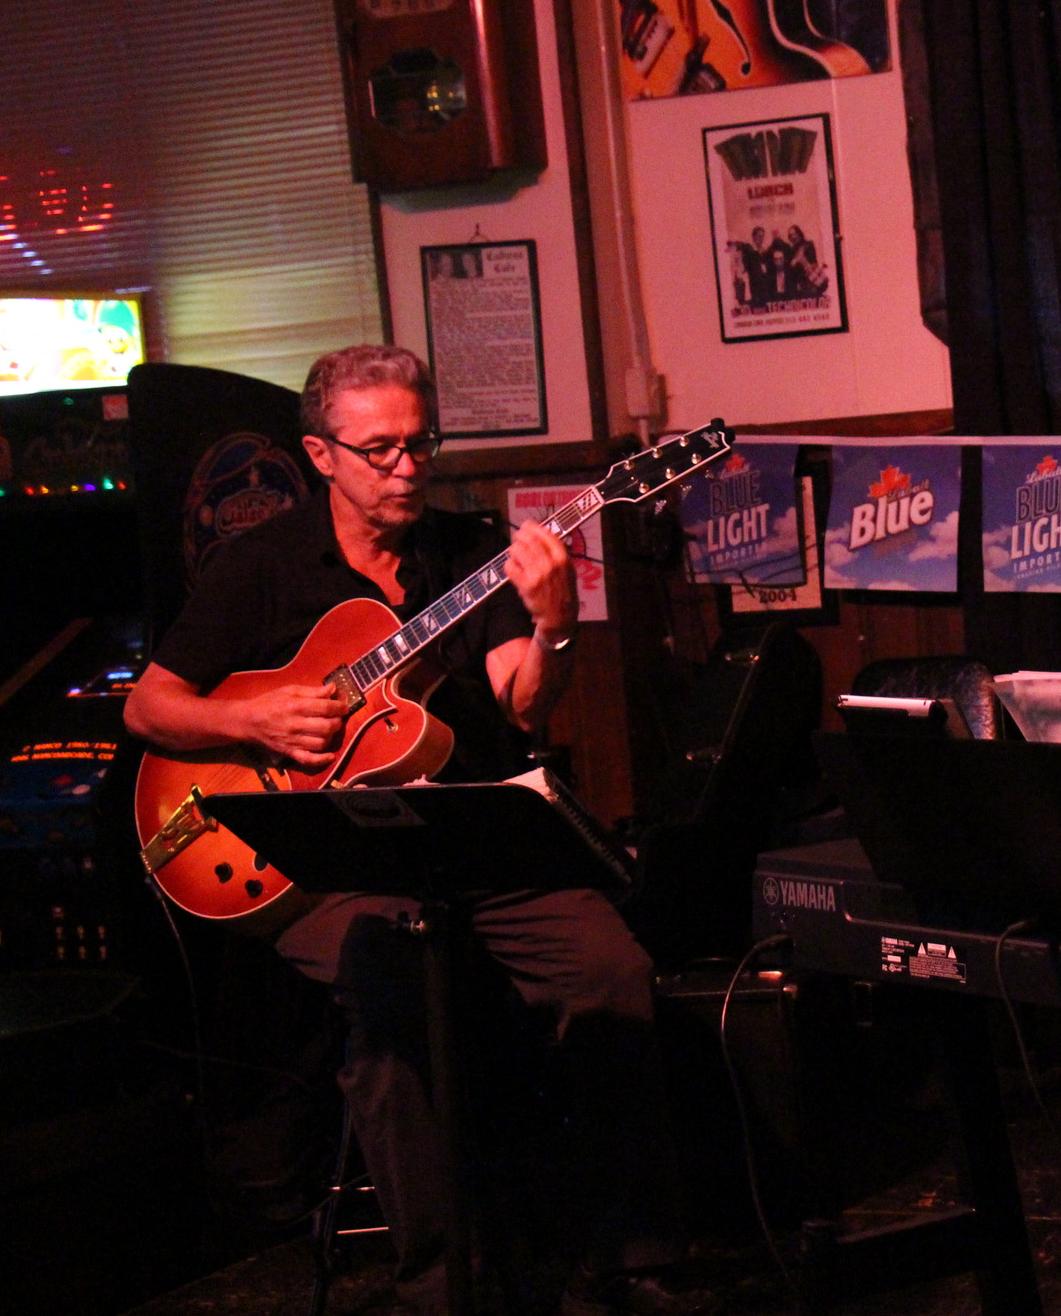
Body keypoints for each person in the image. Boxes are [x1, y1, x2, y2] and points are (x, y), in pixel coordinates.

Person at [124, 346, 693, 1316]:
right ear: (321, 453)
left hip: (466, 832)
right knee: (395, 987)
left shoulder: (469, 554)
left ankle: (629, 1252)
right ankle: (443, 1284)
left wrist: (555, 629)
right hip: (317, 854)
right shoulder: (259, 566)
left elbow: (522, 704)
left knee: (609, 971)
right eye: (379, 448)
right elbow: (150, 707)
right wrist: (251, 721)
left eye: (419, 444)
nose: (405, 467)